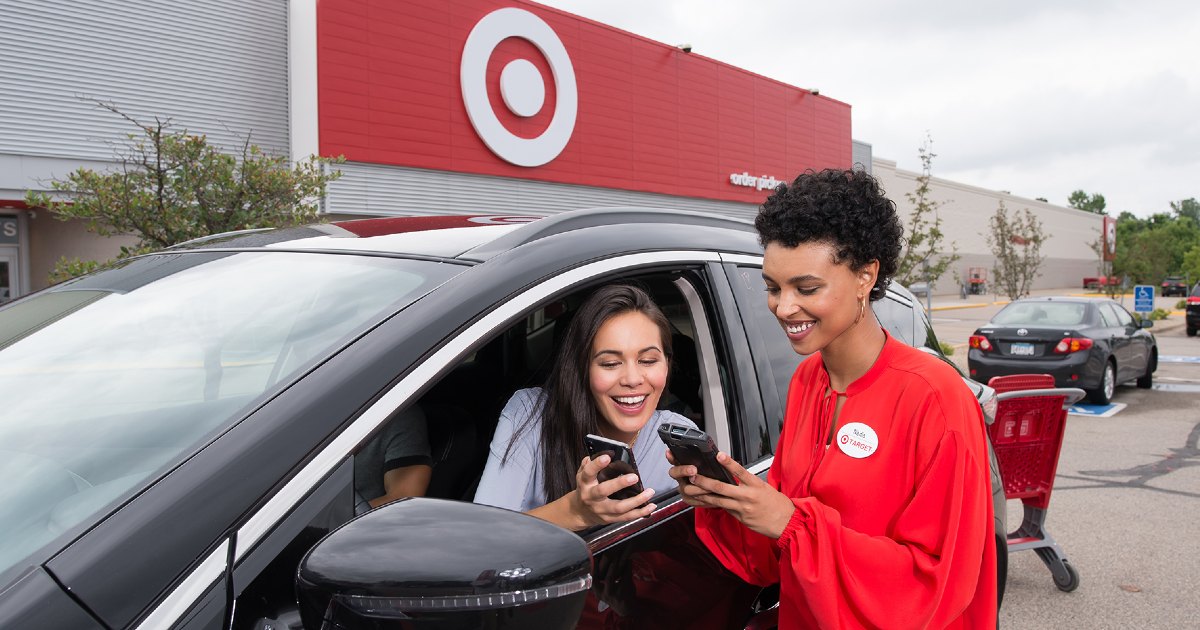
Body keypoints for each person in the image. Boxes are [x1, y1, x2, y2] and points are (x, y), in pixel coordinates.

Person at [669, 169, 997, 628]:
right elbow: (776, 555)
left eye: (806, 289)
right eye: (772, 287)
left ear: (866, 276)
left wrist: (793, 525)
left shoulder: (935, 398)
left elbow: (937, 583)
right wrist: (730, 501)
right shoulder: (807, 380)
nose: (783, 308)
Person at [474, 283, 697, 531]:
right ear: (582, 369)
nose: (633, 379)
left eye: (647, 360)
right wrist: (575, 512)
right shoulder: (530, 414)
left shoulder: (677, 439)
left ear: (667, 364)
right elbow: (484, 535)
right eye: (610, 363)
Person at [353, 404, 432, 512]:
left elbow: (404, 500)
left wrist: (334, 520)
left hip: (355, 525)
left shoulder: (400, 418)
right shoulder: (327, 411)